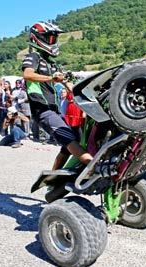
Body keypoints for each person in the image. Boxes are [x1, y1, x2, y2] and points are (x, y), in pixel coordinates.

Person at [22, 21, 93, 170]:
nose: (53, 41)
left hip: (54, 109)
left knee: (75, 139)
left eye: (54, 39)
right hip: (42, 109)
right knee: (69, 139)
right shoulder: (34, 56)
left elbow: (69, 86)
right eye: (50, 38)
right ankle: (94, 166)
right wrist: (51, 78)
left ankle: (54, 177)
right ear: (38, 38)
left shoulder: (53, 64)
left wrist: (91, 98)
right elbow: (27, 74)